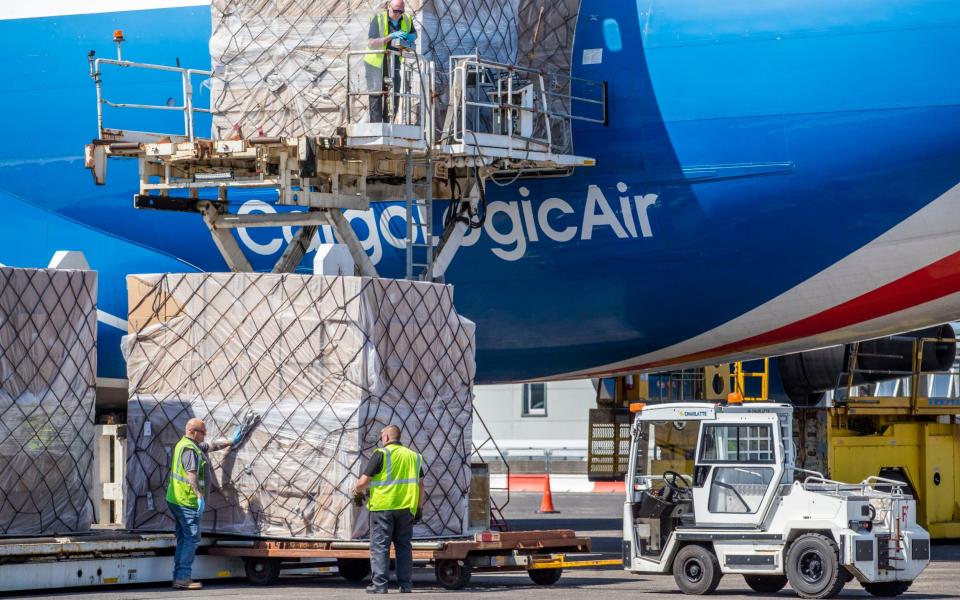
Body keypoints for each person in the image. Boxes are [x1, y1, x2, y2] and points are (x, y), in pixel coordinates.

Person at [166, 417, 246, 590]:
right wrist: (198, 496)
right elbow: (191, 474)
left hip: (176, 499)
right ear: (193, 432)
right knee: (191, 539)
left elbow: (211, 445)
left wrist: (231, 441)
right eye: (203, 432)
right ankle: (182, 578)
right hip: (186, 501)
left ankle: (179, 576)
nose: (205, 435)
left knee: (183, 538)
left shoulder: (189, 445)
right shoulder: (189, 450)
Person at [354, 424, 426, 594]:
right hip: (406, 508)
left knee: (380, 546)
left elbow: (363, 482)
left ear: (386, 437)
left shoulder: (381, 454)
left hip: (383, 508)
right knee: (404, 547)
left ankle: (380, 585)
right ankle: (406, 585)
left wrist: (357, 490)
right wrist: (419, 508)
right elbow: (421, 485)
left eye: (381, 436)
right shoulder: (414, 456)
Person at [364, 0, 417, 123]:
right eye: (395, 10)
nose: (398, 14)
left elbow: (414, 34)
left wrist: (410, 37)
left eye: (401, 11)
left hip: (394, 61)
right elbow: (371, 43)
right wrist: (390, 37)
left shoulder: (407, 18)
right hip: (375, 62)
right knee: (376, 94)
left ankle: (389, 124)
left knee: (394, 93)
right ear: (388, 7)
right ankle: (377, 126)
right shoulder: (378, 18)